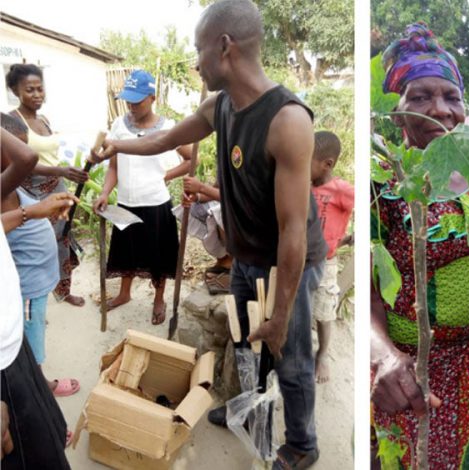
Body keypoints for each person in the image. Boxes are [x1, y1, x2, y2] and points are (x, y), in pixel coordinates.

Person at [90, 1, 326, 467]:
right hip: (246, 257)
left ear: (224, 46)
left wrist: (281, 314)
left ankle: (302, 445)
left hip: (287, 261)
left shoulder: (287, 120)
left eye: (199, 50)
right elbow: (161, 140)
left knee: (290, 355)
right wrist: (114, 146)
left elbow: (293, 230)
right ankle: (247, 410)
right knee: (245, 342)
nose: (195, 62)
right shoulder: (219, 106)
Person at [370, 23, 469, 469]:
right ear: (395, 109)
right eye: (420, 96)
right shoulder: (383, 181)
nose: (440, 110)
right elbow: (365, 285)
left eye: (451, 96)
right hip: (419, 370)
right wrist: (383, 356)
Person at [94, 70, 193, 324]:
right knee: (127, 252)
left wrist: (165, 176)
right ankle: (125, 293)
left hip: (156, 204)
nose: (131, 106)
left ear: (152, 97)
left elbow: (192, 159)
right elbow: (113, 166)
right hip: (126, 202)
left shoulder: (170, 129)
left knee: (158, 256)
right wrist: (105, 192)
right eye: (128, 100)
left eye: (137, 101)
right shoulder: (119, 126)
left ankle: (158, 299)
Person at [0, 126, 72, 470]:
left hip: (12, 332)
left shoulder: (13, 191)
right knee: (31, 449)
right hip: (3, 350)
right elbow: (26, 159)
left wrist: (34, 211)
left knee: (41, 418)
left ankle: (53, 429)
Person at [1, 113, 80, 398]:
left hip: (35, 285)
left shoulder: (13, 186)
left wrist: (48, 208)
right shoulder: (2, 189)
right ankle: (41, 389)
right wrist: (34, 213)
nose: (26, 158)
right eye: (14, 150)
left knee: (30, 333)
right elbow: (27, 160)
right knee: (32, 347)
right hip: (28, 289)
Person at [6, 64, 87, 306]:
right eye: (30, 90)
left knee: (61, 239)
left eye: (40, 89)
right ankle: (34, 297)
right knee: (36, 247)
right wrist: (60, 170)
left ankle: (63, 290)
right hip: (32, 193)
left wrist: (65, 172)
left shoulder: (44, 119)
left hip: (57, 186)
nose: (37, 95)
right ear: (15, 91)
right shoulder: (12, 123)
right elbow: (20, 164)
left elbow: (49, 154)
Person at [309, 130, 354, 384]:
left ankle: (322, 355)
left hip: (326, 263)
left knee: (325, 311)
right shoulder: (303, 187)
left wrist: (352, 236)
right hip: (301, 261)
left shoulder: (342, 191)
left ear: (327, 164)